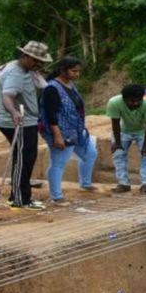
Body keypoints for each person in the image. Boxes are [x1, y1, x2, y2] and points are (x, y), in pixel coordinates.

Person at [0, 40, 52, 210]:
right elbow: (7, 96)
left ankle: (18, 195)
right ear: (26, 57)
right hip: (18, 123)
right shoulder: (16, 73)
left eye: (41, 62)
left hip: (27, 121)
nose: (39, 65)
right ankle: (20, 199)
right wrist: (14, 113)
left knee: (26, 158)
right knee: (23, 159)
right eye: (36, 61)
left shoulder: (23, 68)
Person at [40, 57, 98, 206]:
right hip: (61, 131)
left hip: (76, 130)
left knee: (90, 153)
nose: (77, 74)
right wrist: (57, 135)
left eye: (78, 71)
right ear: (63, 70)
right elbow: (50, 114)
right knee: (59, 163)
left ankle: (85, 183)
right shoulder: (52, 88)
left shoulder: (70, 84)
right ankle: (57, 196)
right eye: (73, 71)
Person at [106, 84, 146, 194]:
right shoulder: (114, 103)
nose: (135, 104)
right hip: (123, 130)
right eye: (131, 101)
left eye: (138, 101)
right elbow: (115, 123)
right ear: (123, 99)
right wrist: (118, 143)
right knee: (118, 154)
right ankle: (123, 183)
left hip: (144, 131)